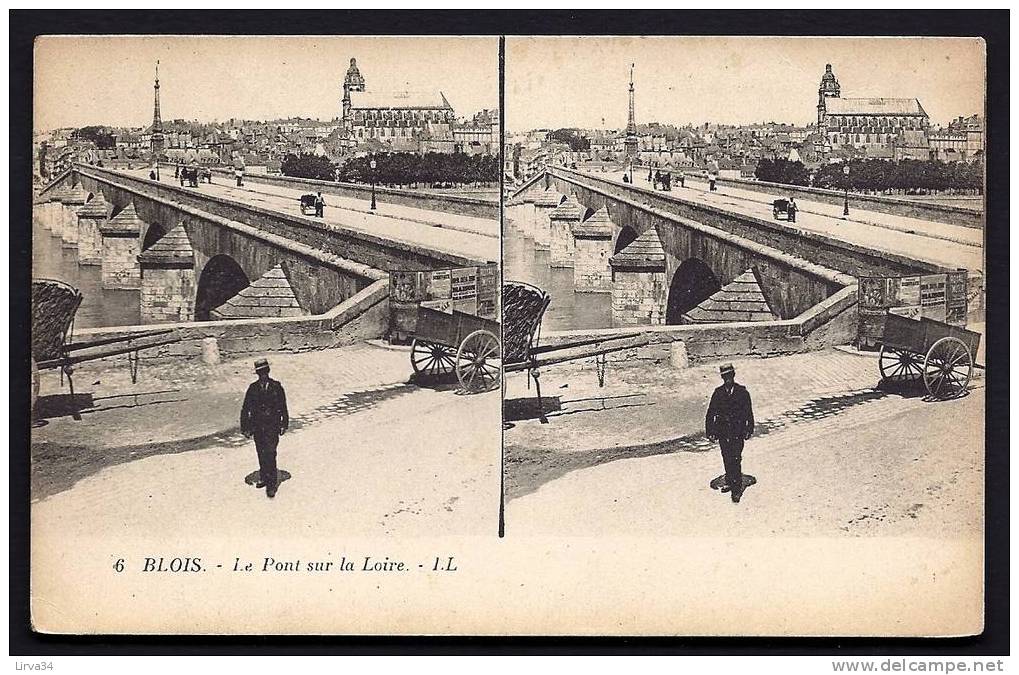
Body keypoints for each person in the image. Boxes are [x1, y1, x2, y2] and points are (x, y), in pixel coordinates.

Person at [705, 363, 755, 504]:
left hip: (737, 431)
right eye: (725, 377)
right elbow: (711, 413)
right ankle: (730, 480)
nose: (727, 379)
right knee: (726, 457)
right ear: (722, 378)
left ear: (733, 376)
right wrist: (710, 431)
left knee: (736, 458)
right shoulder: (718, 393)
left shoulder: (742, 392)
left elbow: (748, 412)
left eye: (729, 376)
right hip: (723, 432)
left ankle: (736, 488)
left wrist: (749, 429)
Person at [240, 359, 290, 499]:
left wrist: (283, 424)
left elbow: (283, 406)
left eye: (264, 372)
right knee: (261, 452)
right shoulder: (253, 388)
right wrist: (245, 427)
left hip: (272, 426)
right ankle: (263, 476)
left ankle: (272, 483)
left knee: (270, 452)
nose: (262, 376)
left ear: (268, 372)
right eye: (260, 373)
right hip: (258, 426)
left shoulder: (276, 387)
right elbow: (246, 409)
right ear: (257, 374)